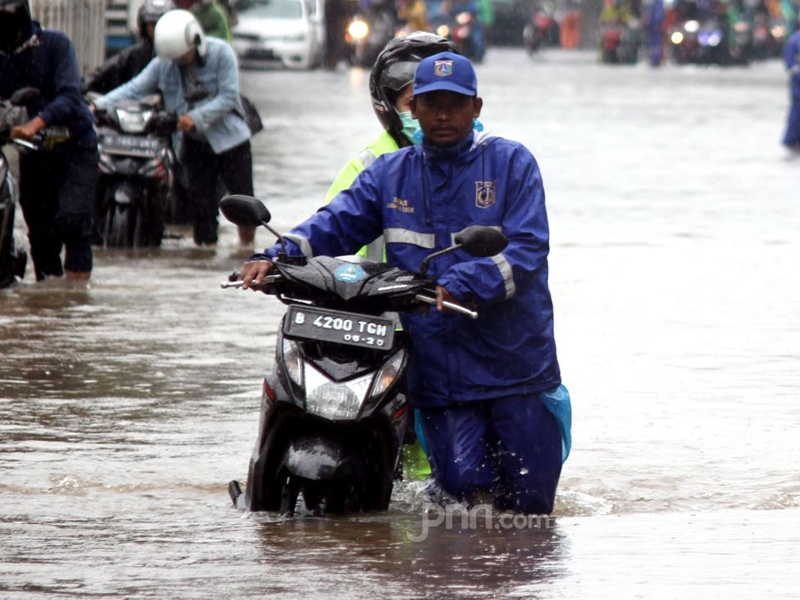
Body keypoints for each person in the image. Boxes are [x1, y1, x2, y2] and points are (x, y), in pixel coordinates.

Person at [239, 52, 572, 514]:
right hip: (441, 367)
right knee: (461, 493)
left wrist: (461, 283)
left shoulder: (511, 164)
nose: (441, 115)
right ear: (411, 109)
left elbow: (528, 249)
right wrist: (275, 256)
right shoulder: (388, 173)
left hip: (515, 363)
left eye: (454, 105)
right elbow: (335, 222)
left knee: (530, 509)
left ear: (476, 108)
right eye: (430, 103)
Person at [325, 32, 457, 481]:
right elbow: (326, 237)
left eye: (445, 99)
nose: (431, 112)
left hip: (446, 326)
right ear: (389, 107)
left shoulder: (484, 163)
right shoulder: (365, 167)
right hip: (377, 332)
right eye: (416, 100)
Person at [93, 9, 255, 247]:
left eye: (184, 57)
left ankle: (246, 249)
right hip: (195, 144)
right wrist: (96, 106)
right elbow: (134, 89)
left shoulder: (222, 53)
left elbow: (229, 97)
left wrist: (193, 117)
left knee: (244, 205)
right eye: (176, 59)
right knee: (201, 210)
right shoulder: (164, 64)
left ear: (196, 42)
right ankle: (206, 255)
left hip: (231, 142)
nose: (180, 62)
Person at [0, 0, 98, 281]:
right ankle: (49, 299)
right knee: (40, 236)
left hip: (76, 150)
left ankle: (75, 302)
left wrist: (35, 123)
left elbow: (69, 95)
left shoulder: (56, 45)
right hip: (33, 154)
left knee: (73, 221)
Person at [84, 0, 175, 94]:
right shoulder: (134, 55)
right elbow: (106, 72)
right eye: (152, 24)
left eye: (162, 23)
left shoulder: (180, 55)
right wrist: (85, 85)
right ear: (144, 26)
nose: (157, 29)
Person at [783, 29, 800, 150]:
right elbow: (790, 62)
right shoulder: (795, 39)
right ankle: (792, 140)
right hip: (798, 86)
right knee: (796, 114)